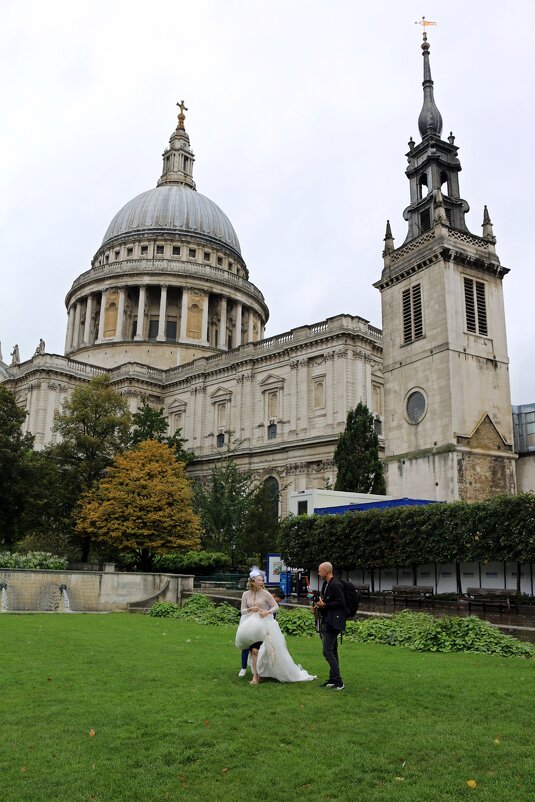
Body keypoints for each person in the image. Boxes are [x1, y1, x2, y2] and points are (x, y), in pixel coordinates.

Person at [236, 568, 315, 685]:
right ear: (252, 582)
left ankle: (257, 676)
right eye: (259, 580)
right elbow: (242, 611)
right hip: (250, 626)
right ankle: (256, 675)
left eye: (262, 580)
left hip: (263, 625)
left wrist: (267, 612)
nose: (261, 582)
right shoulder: (245, 594)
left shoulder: (266, 594)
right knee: (253, 651)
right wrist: (250, 609)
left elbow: (276, 607)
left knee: (257, 650)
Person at [238, 586, 285, 677]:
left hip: (262, 627)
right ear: (273, 595)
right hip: (249, 623)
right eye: (277, 600)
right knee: (246, 646)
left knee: (259, 648)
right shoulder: (255, 596)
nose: (277, 602)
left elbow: (272, 618)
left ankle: (260, 670)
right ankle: (243, 668)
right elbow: (245, 609)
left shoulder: (273, 604)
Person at [315, 561, 346, 690]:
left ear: (326, 571)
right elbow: (326, 601)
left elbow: (341, 602)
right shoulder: (326, 584)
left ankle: (339, 681)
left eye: (320, 571)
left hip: (334, 622)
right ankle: (333, 679)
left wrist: (325, 605)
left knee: (327, 651)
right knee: (332, 650)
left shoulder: (335, 584)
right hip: (328, 619)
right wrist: (318, 606)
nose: (318, 573)